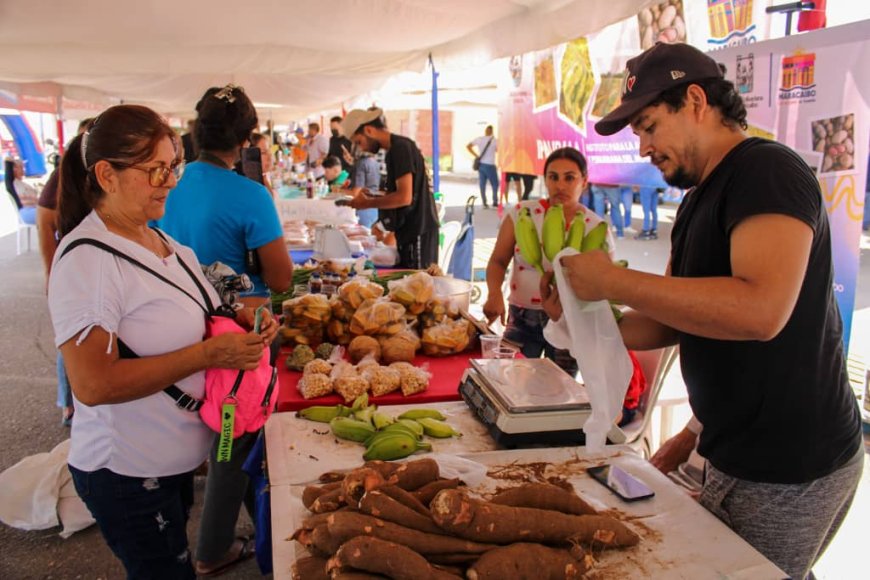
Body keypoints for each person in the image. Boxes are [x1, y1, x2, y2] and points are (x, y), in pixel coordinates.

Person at [560, 42, 862, 579]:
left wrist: (612, 280)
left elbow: (760, 311)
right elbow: (672, 318)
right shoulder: (697, 199)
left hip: (790, 461)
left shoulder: (767, 171)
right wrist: (583, 315)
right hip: (732, 449)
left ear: (696, 101)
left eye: (650, 127)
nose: (644, 148)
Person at [48, 104, 277, 578]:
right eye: (155, 170)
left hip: (169, 460)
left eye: (174, 166)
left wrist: (240, 318)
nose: (170, 181)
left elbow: (193, 311)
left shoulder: (158, 240)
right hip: (127, 470)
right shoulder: (89, 262)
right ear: (107, 175)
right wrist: (207, 354)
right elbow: (93, 384)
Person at [159, 84, 292, 576]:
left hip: (176, 327)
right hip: (236, 333)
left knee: (214, 428)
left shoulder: (168, 183)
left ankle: (242, 525)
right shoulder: (250, 194)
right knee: (232, 438)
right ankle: (213, 549)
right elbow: (281, 278)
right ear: (245, 138)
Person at [483, 147, 615, 377]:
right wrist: (494, 293)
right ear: (545, 180)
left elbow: (606, 285)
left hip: (569, 322)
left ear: (584, 181)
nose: (560, 185)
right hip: (521, 318)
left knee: (560, 388)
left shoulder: (596, 228)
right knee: (509, 381)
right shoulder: (522, 215)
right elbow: (498, 260)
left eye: (569, 178)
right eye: (553, 177)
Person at [38, 117, 94, 427]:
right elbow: (44, 220)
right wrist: (51, 271)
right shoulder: (64, 175)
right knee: (71, 339)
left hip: (87, 266)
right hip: (74, 269)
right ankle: (68, 403)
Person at [342, 108, 439, 269]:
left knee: (418, 280)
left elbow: (404, 197)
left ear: (369, 130)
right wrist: (374, 196)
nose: (362, 148)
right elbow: (403, 191)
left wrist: (366, 203)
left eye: (359, 142)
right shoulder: (395, 149)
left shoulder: (400, 148)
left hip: (417, 229)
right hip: (409, 230)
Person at [467, 125, 498, 208]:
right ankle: (495, 202)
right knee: (495, 184)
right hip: (490, 165)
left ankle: (484, 202)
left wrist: (476, 155)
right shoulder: (495, 141)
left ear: (485, 131)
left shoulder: (479, 139)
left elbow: (468, 146)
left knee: (482, 184)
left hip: (481, 165)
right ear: (492, 131)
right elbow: (498, 150)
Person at [351, 148, 380, 228]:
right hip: (374, 208)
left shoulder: (361, 164)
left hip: (363, 208)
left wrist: (340, 192)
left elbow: (356, 192)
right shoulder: (375, 162)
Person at [5, 158, 39, 224]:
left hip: (35, 209)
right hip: (27, 211)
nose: (24, 170)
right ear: (14, 169)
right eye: (21, 167)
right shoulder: (13, 184)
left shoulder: (22, 184)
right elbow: (8, 160)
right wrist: (13, 161)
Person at [249, 132, 275, 197]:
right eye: (263, 152)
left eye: (269, 151)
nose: (270, 156)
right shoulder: (251, 186)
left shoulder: (262, 179)